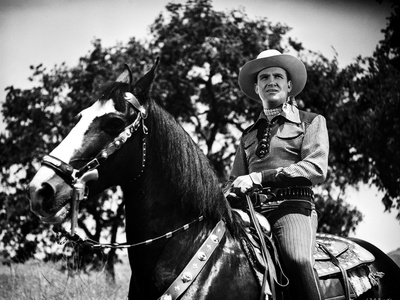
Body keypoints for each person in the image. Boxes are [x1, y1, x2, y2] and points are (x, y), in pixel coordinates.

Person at [229, 49, 329, 300]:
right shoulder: (248, 135)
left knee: (296, 259)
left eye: (277, 76)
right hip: (251, 213)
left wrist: (261, 177)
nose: (271, 81)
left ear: (289, 85)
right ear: (257, 87)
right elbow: (235, 179)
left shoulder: (311, 121)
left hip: (293, 208)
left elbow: (316, 168)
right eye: (264, 78)